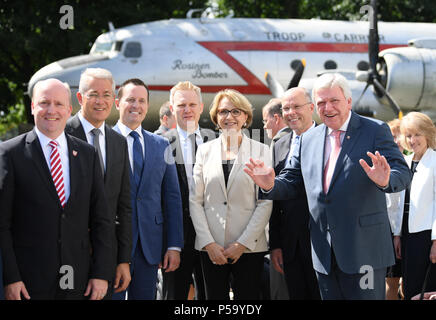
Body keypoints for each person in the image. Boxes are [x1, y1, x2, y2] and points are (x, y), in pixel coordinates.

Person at [244, 73, 411, 300]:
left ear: (348, 101)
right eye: (321, 102)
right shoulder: (308, 139)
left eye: (334, 101)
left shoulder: (374, 130)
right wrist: (271, 184)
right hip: (324, 254)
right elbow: (292, 180)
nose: (327, 107)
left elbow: (402, 174)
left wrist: (386, 180)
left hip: (365, 253)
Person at [0, 78, 114, 300]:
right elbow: (2, 224)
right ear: (33, 106)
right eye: (44, 103)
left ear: (69, 109)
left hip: (78, 279)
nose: (51, 110)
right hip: (28, 282)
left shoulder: (87, 155)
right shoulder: (10, 154)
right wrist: (11, 278)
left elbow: (102, 220)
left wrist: (101, 272)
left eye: (59, 104)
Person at [189, 89, 272, 300]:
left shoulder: (262, 151)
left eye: (236, 111)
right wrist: (208, 243)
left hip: (249, 247)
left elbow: (265, 202)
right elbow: (195, 201)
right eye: (223, 111)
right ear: (216, 117)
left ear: (245, 116)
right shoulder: (204, 151)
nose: (229, 117)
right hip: (211, 249)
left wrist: (242, 244)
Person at [112, 78, 183, 300]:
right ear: (117, 103)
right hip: (112, 246)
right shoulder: (103, 142)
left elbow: (172, 197)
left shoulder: (161, 145)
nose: (137, 105)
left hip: (149, 247)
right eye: (130, 99)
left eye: (142, 100)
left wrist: (174, 244)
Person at [65, 68, 132, 298]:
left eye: (107, 95)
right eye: (94, 94)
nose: (101, 101)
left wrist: (123, 259)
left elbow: (124, 206)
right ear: (80, 98)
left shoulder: (118, 142)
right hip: (67, 257)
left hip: (107, 259)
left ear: (114, 101)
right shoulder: (61, 134)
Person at [162, 81, 215, 300]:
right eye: (182, 105)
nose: (187, 110)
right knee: (174, 296)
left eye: (192, 104)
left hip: (211, 237)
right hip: (177, 238)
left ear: (201, 107)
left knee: (211, 295)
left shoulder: (216, 141)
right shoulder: (161, 143)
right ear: (172, 108)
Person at [269, 87, 320, 300]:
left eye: (296, 106)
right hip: (290, 246)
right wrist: (276, 244)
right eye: (286, 108)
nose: (291, 112)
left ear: (311, 108)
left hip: (322, 245)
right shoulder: (278, 145)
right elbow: (275, 201)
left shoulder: (329, 140)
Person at [394, 112, 436, 300]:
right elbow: (397, 203)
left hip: (427, 235)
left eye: (417, 134)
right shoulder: (405, 162)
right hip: (407, 234)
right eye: (408, 135)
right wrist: (397, 234)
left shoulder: (434, 161)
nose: (412, 140)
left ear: (427, 133)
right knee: (409, 288)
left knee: (425, 290)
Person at [385, 118, 404, 300]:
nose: (397, 140)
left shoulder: (412, 164)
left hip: (407, 229)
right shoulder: (383, 168)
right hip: (388, 230)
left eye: (401, 136)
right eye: (393, 137)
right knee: (391, 281)